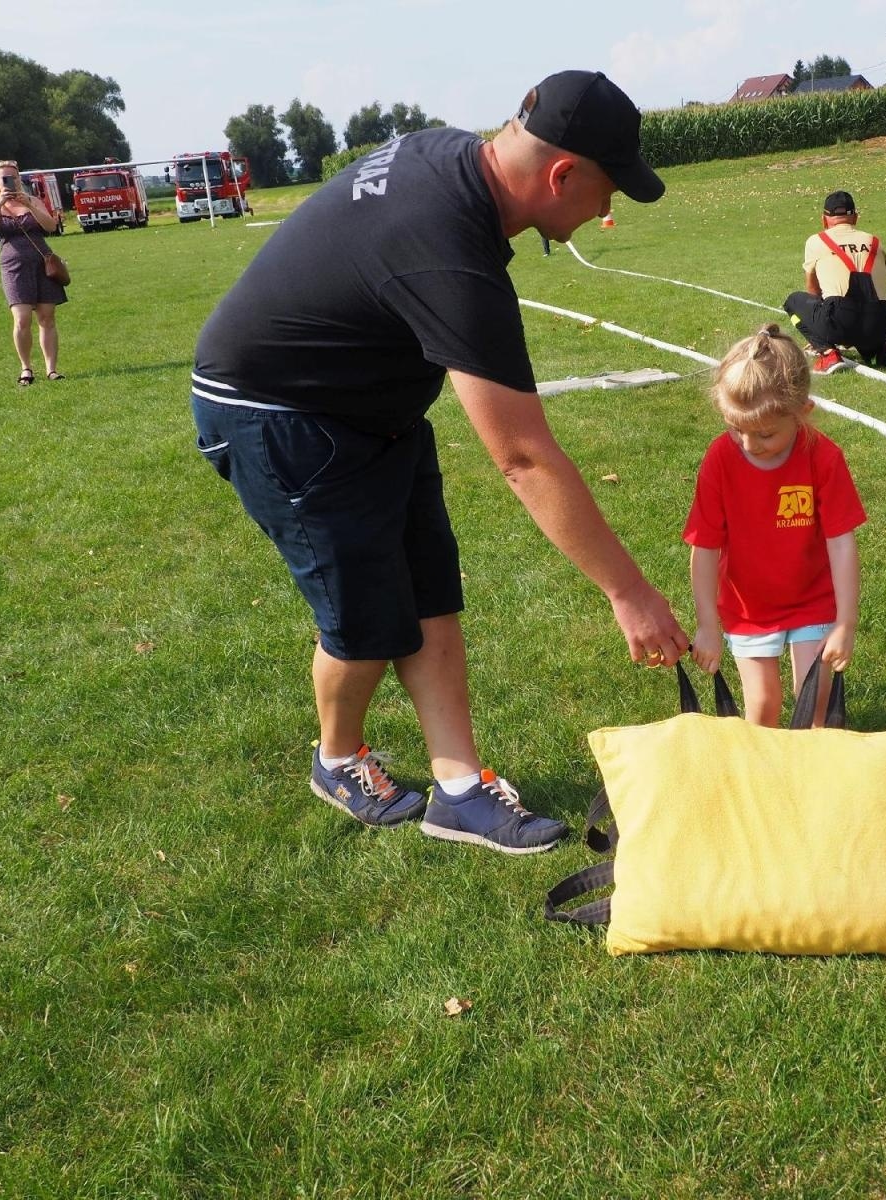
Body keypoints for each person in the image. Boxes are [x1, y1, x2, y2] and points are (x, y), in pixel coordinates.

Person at [190, 70, 689, 855]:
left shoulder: (455, 159)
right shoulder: (449, 249)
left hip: (372, 408)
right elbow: (522, 457)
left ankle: (459, 791)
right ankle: (338, 757)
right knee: (364, 623)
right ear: (561, 173)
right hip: (279, 415)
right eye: (607, 188)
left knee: (428, 591)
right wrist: (627, 592)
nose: (607, 208)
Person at [684, 324, 866, 728]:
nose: (749, 444)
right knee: (763, 706)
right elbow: (705, 546)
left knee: (812, 703)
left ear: (803, 412)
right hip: (749, 606)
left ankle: (813, 781)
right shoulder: (719, 459)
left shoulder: (823, 457)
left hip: (812, 599)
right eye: (737, 429)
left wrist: (845, 621)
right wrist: (707, 625)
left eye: (765, 433)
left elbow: (841, 542)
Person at [782, 190, 886, 376]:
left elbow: (813, 291)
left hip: (840, 318)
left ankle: (828, 354)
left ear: (824, 219)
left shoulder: (816, 241)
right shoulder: (875, 241)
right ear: (855, 217)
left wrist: (820, 332)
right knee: (868, 341)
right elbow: (883, 279)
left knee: (793, 301)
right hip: (880, 320)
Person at [0, 160, 67, 384]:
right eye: (5, 178)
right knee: (21, 319)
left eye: (14, 177)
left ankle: (52, 369)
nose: (11, 181)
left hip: (42, 262)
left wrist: (29, 204)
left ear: (19, 179)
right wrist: (0, 203)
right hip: (13, 265)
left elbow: (50, 227)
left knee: (47, 317)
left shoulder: (33, 200)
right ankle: (26, 368)